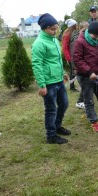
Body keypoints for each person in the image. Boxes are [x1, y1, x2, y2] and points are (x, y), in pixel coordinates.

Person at [31, 13, 71, 144]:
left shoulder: (53, 40)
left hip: (58, 79)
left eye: (56, 29)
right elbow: (37, 65)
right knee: (51, 109)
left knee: (64, 104)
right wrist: (42, 85)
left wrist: (62, 73)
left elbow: (57, 60)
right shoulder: (39, 43)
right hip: (48, 83)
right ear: (44, 28)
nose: (55, 32)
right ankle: (51, 135)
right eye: (52, 29)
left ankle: (57, 126)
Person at [71, 21, 89, 109]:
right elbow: (74, 54)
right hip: (78, 67)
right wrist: (75, 67)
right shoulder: (76, 39)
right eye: (85, 28)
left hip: (84, 65)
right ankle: (80, 102)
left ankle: (84, 101)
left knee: (86, 85)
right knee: (84, 86)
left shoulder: (86, 37)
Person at [61, 18, 78, 91]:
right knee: (72, 72)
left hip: (72, 55)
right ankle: (72, 86)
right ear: (73, 26)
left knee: (73, 72)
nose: (77, 26)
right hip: (70, 57)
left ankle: (72, 86)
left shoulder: (72, 33)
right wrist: (69, 59)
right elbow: (64, 48)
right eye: (75, 25)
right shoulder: (67, 35)